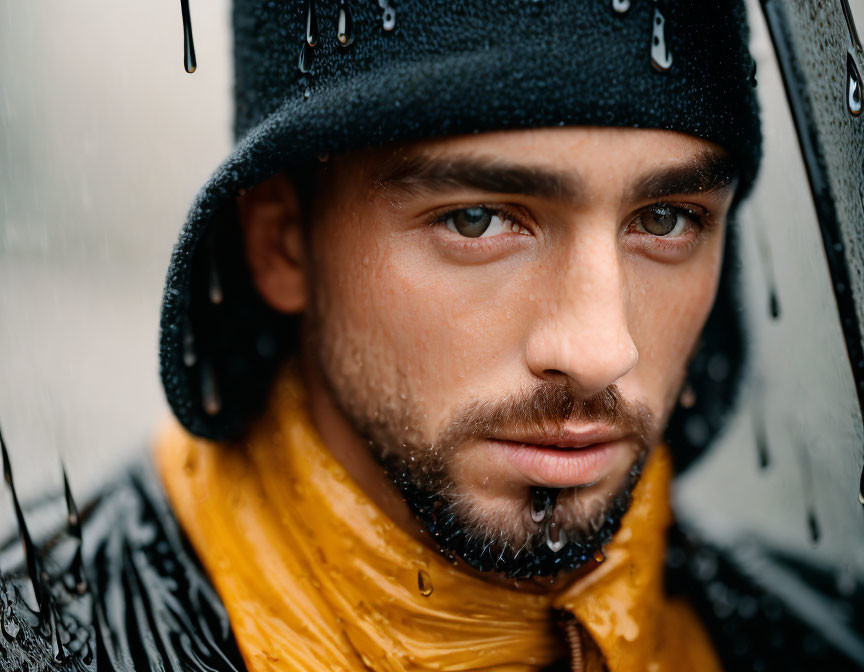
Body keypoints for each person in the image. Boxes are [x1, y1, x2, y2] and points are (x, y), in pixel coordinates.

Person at [0, 1, 861, 671]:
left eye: (666, 218)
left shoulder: (821, 643)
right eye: (480, 220)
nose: (602, 349)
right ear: (282, 241)